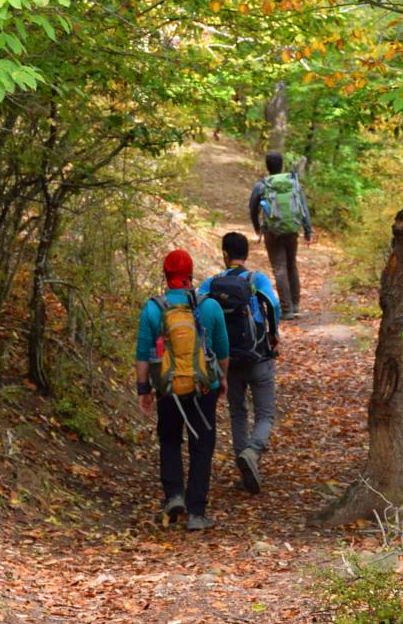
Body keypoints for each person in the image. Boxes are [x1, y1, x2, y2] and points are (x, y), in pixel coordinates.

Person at [136, 249, 229, 531]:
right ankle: (197, 512)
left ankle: (174, 496)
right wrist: (222, 378)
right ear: (190, 275)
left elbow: (143, 355)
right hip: (203, 387)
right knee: (202, 445)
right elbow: (223, 350)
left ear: (165, 275)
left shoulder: (153, 308)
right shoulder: (209, 306)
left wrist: (144, 389)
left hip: (168, 389)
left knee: (170, 439)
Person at [199, 232, 280, 495]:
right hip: (258, 356)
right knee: (265, 413)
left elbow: (197, 310)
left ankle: (243, 461)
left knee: (237, 412)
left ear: (224, 254)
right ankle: (252, 452)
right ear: (246, 254)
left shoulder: (212, 284)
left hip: (228, 359)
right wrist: (273, 334)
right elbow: (274, 305)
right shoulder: (257, 279)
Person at [249, 151, 312, 319]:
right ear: (281, 165)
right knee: (291, 265)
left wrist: (257, 227)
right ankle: (296, 305)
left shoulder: (262, 185)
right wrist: (307, 230)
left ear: (267, 166)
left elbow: (253, 207)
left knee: (279, 268)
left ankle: (287, 309)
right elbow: (303, 206)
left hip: (272, 232)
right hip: (292, 230)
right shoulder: (292, 183)